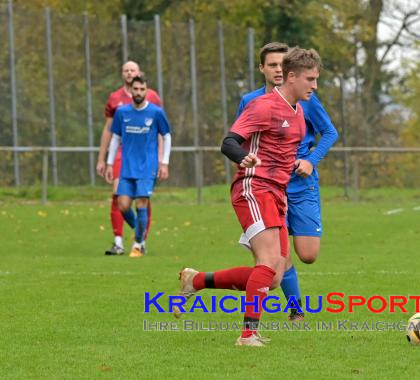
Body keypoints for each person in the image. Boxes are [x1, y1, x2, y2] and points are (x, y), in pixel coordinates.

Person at [175, 47, 322, 346]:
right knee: (268, 261)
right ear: (291, 76)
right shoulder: (262, 106)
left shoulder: (299, 116)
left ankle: (196, 280)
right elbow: (228, 142)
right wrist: (244, 157)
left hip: (276, 194)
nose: (315, 86)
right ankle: (247, 335)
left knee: (275, 275)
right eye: (310, 79)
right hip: (253, 188)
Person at [236, 42, 338, 321]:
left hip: (301, 183)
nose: (278, 70)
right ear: (263, 69)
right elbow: (239, 140)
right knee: (274, 261)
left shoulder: (305, 99)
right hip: (267, 186)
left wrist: (310, 160)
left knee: (308, 253)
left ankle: (198, 282)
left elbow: (329, 132)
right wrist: (248, 165)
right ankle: (295, 310)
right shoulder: (252, 102)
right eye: (273, 65)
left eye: (283, 65)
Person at [96, 61, 162, 256]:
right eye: (125, 70)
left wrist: (160, 158)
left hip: (145, 156)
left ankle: (140, 241)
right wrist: (103, 158)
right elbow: (110, 131)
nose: (129, 73)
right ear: (122, 74)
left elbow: (160, 130)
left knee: (143, 199)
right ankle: (119, 241)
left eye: (132, 70)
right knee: (119, 196)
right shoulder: (115, 98)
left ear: (139, 72)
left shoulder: (152, 97)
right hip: (121, 154)